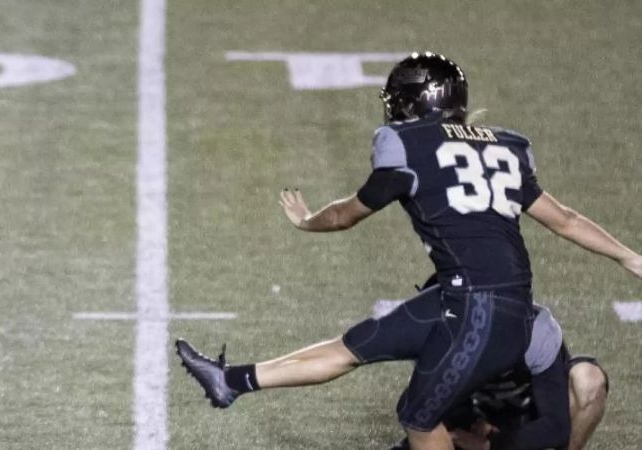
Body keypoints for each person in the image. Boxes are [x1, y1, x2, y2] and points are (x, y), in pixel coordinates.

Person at [175, 52, 642, 449]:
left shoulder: (407, 144)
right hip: (466, 297)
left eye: (400, 101)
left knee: (418, 416)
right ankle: (229, 381)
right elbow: (565, 220)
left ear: (418, 101)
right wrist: (630, 258)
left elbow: (346, 214)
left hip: (480, 306)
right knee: (352, 347)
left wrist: (306, 220)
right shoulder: (507, 146)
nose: (394, 111)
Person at [389, 297, 609, 450]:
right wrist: (466, 429)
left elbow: (556, 426)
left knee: (589, 379)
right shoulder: (439, 335)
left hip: (529, 419)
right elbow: (413, 405)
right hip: (478, 420)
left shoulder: (537, 331)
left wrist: (494, 444)